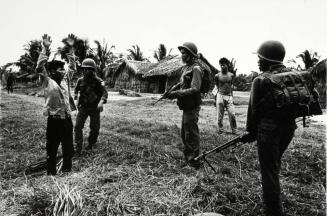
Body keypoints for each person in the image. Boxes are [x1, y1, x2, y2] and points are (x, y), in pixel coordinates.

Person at [241, 40, 297, 216]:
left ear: (268, 59)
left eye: (260, 57)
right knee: (274, 165)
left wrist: (250, 133)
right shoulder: (293, 75)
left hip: (268, 129)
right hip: (289, 128)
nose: (258, 60)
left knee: (269, 171)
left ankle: (273, 211)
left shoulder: (261, 79)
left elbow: (253, 111)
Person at [36, 34, 77, 175]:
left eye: (63, 69)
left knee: (68, 149)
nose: (63, 71)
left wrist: (71, 48)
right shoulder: (47, 81)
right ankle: (51, 174)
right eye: (60, 69)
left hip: (66, 120)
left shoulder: (66, 81)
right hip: (54, 122)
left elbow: (72, 67)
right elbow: (40, 66)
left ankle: (67, 171)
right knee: (52, 150)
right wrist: (45, 48)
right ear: (53, 71)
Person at [166, 42, 203, 169]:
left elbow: (195, 89)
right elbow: (182, 83)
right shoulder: (186, 68)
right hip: (186, 106)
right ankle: (188, 158)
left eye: (184, 53)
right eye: (181, 53)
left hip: (192, 106)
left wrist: (175, 94)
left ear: (191, 54)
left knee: (191, 133)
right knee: (184, 133)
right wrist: (171, 90)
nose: (182, 55)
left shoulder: (196, 68)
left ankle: (194, 162)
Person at [74, 58, 108, 154]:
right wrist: (76, 98)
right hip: (83, 107)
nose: (86, 71)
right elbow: (76, 90)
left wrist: (101, 101)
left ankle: (91, 143)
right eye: (84, 69)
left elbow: (105, 93)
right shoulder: (80, 80)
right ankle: (78, 145)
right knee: (77, 126)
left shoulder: (99, 81)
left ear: (93, 70)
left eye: (89, 69)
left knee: (95, 127)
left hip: (94, 108)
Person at [214, 57, 237, 134]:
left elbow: (231, 86)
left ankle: (234, 130)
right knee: (220, 116)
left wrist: (232, 97)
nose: (222, 67)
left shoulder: (231, 75)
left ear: (227, 65)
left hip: (229, 96)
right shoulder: (217, 76)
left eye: (223, 65)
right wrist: (215, 99)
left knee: (232, 114)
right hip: (220, 95)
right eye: (221, 65)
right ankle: (220, 130)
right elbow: (217, 86)